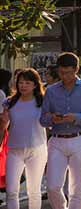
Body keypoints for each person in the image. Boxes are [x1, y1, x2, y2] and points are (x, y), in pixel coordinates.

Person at [40, 52, 81, 209]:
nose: (64, 76)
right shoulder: (51, 91)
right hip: (56, 139)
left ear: (76, 69)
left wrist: (76, 117)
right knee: (53, 186)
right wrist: (52, 118)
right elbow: (42, 119)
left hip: (80, 138)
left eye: (68, 72)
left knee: (77, 189)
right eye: (61, 72)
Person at [1, 68, 48, 209]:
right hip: (14, 150)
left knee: (34, 191)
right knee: (11, 191)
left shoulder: (43, 102)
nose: (23, 86)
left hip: (37, 150)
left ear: (35, 85)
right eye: (21, 82)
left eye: (27, 83)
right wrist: (3, 121)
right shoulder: (9, 103)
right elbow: (3, 126)